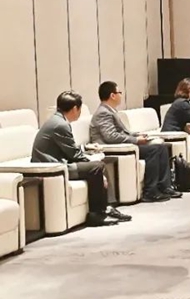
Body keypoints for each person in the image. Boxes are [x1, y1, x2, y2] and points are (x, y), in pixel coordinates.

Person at [32, 91, 131, 226]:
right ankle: (97, 214)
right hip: (54, 168)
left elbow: (68, 148)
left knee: (98, 164)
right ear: (74, 109)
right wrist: (93, 161)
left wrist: (86, 150)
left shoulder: (57, 120)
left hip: (57, 163)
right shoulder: (61, 125)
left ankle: (108, 208)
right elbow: (74, 155)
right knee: (96, 167)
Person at [90, 81, 179, 202]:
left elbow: (122, 132)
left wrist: (138, 135)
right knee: (153, 150)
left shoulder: (110, 110)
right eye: (119, 92)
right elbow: (111, 137)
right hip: (112, 149)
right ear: (112, 95)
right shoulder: (103, 113)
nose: (121, 95)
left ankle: (164, 186)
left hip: (124, 145)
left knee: (162, 147)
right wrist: (136, 140)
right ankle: (150, 191)